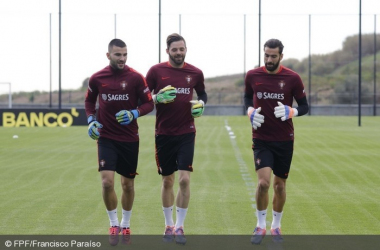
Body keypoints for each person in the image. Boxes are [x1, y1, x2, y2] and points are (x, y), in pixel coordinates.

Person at [85, 38, 154, 246]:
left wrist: (135, 113)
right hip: (106, 137)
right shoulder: (97, 78)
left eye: (125, 54)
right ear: (109, 56)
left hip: (129, 138)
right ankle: (113, 223)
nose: (122, 58)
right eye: (118, 55)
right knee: (107, 183)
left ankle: (126, 224)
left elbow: (149, 104)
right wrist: (91, 120)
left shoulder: (136, 78)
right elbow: (89, 101)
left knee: (128, 185)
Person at [244, 38, 309, 244]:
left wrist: (293, 111)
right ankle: (260, 226)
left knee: (279, 186)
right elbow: (247, 98)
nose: (269, 59)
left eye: (273, 56)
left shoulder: (293, 78)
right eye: (266, 55)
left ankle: (276, 226)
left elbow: (305, 106)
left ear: (281, 56)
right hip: (261, 138)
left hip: (284, 139)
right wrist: (250, 111)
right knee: (263, 183)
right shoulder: (253, 75)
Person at [146, 33, 207, 245]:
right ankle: (168, 224)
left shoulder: (195, 72)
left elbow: (202, 94)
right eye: (175, 50)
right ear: (167, 51)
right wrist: (156, 98)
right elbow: (142, 98)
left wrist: (201, 105)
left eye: (182, 49)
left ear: (186, 50)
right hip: (163, 134)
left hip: (187, 132)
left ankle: (180, 226)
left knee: (184, 179)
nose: (179, 53)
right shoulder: (156, 71)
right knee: (167, 180)